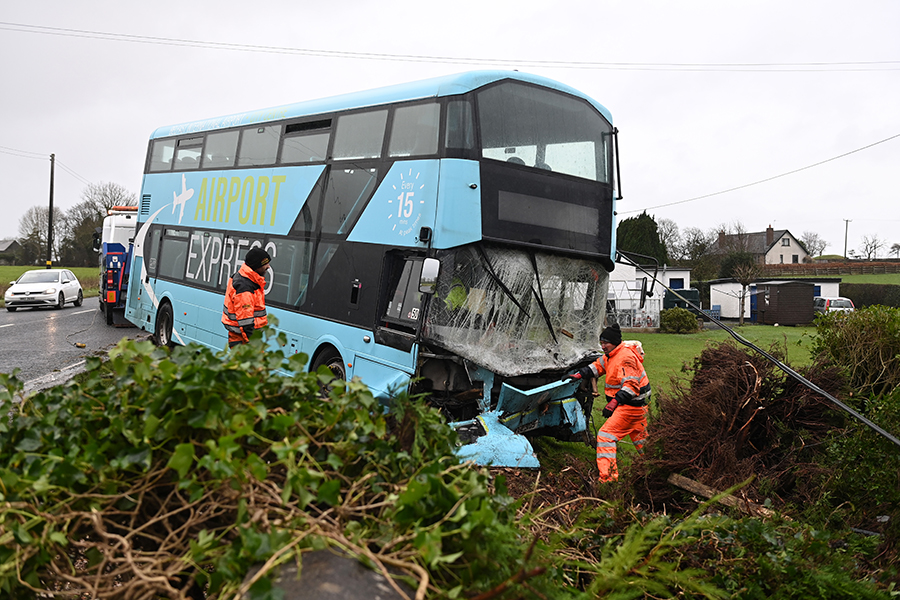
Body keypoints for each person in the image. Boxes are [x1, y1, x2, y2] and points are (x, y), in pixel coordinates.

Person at [566, 323, 650, 483]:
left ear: (615, 342)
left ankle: (608, 480)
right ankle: (658, 468)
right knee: (642, 442)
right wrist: (579, 374)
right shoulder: (612, 355)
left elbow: (632, 387)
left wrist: (613, 404)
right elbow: (598, 366)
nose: (603, 346)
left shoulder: (625, 358)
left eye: (606, 343)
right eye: (601, 342)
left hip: (630, 407)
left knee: (605, 436)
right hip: (638, 408)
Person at [222, 247, 271, 347]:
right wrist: (254, 345)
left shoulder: (247, 280)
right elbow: (246, 323)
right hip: (243, 341)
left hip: (242, 338)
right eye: (265, 264)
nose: (268, 267)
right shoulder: (245, 287)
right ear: (256, 266)